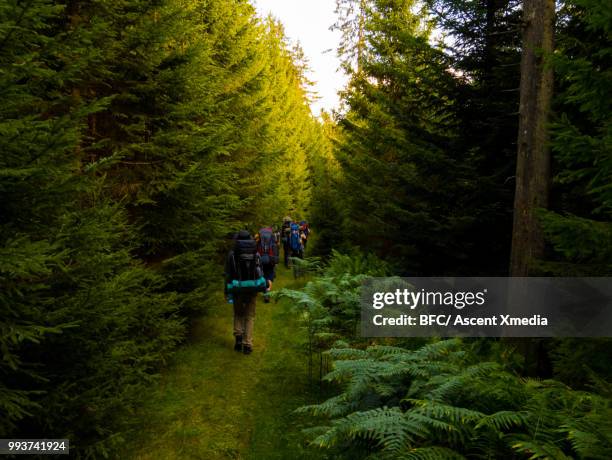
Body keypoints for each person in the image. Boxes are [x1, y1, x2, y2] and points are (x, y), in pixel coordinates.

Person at [224, 230, 264, 355]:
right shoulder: (255, 252)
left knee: (238, 313)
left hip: (237, 288)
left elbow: (228, 274)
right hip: (252, 288)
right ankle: (248, 345)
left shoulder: (232, 254)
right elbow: (260, 271)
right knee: (250, 316)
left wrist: (227, 290)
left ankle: (238, 339)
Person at [256, 226, 279, 303]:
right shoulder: (272, 238)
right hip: (270, 260)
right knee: (269, 276)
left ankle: (265, 292)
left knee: (263, 275)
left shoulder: (258, 239)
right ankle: (267, 293)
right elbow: (276, 249)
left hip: (261, 260)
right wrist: (275, 262)